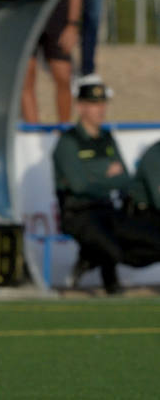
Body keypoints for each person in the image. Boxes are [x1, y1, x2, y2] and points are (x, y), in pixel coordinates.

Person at [53, 80, 160, 293]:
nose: (100, 109)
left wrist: (94, 175)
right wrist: (106, 173)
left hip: (108, 209)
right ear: (80, 106)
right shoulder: (69, 142)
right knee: (113, 250)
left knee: (153, 239)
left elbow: (124, 179)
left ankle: (91, 257)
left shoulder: (107, 138)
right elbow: (79, 185)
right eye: (94, 103)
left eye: (102, 103)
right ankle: (95, 264)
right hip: (78, 213)